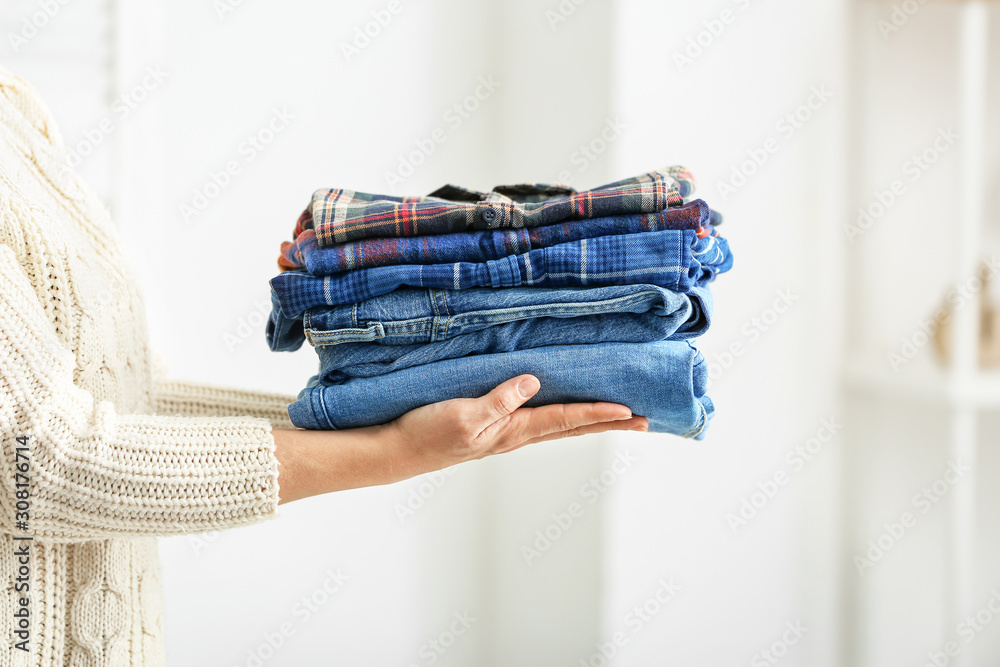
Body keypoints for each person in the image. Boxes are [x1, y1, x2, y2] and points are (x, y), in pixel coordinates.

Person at [0, 68, 648, 665]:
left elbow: (125, 399)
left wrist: (400, 402)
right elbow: (36, 466)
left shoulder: (18, 113)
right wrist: (394, 449)